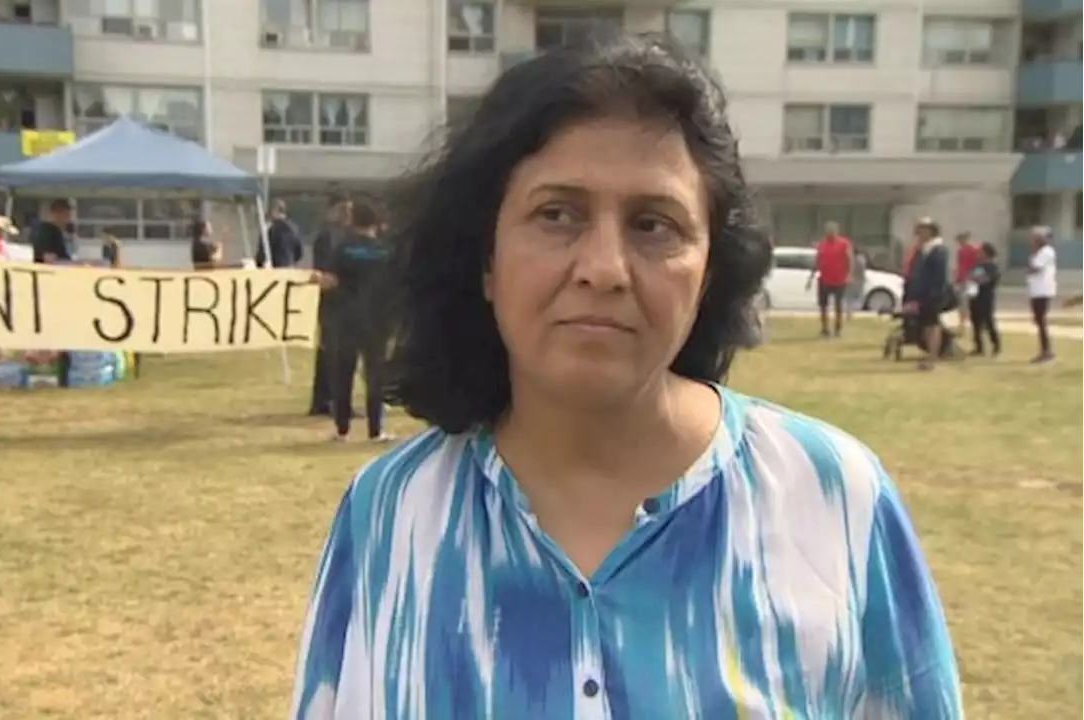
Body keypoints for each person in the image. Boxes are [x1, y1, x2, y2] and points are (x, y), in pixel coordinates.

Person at [291, 35, 960, 719]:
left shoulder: (833, 499)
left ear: (709, 273)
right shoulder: (390, 514)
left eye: (653, 224)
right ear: (484, 257)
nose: (604, 267)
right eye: (557, 214)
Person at [316, 200, 392, 443]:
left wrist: (316, 280)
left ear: (352, 221)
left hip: (347, 318)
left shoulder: (343, 249)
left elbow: (331, 281)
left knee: (344, 373)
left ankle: (342, 429)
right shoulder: (386, 250)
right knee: (375, 375)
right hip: (378, 319)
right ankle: (375, 430)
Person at [308, 193, 352, 416]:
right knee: (330, 351)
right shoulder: (328, 236)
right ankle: (324, 400)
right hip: (332, 303)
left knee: (340, 352)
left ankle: (336, 399)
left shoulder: (345, 235)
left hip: (345, 303)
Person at [903, 218, 952, 371]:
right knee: (925, 326)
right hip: (921, 294)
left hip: (932, 295)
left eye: (922, 230)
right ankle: (928, 355)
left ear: (931, 231)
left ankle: (932, 357)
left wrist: (933, 294)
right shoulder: (922, 250)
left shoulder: (939, 250)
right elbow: (915, 273)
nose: (919, 234)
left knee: (933, 325)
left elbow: (938, 276)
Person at [805, 221, 853, 337]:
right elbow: (817, 261)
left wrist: (849, 275)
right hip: (824, 279)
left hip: (839, 280)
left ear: (836, 231)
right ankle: (824, 328)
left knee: (838, 306)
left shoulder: (844, 244)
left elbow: (849, 260)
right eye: (828, 231)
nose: (830, 233)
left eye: (832, 231)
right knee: (823, 306)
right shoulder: (822, 244)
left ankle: (838, 329)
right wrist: (811, 278)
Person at [1026, 226, 1057, 364]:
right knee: (1039, 321)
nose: (1032, 241)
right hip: (1037, 291)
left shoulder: (1046, 252)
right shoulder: (1039, 252)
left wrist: (1030, 267)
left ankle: (1047, 352)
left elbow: (1034, 269)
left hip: (1043, 291)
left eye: (1035, 238)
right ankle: (1045, 350)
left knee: (1041, 321)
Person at [967, 241, 1001, 357]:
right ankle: (978, 347)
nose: (978, 253)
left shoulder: (992, 266)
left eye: (980, 251)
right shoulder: (977, 265)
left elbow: (988, 280)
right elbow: (971, 277)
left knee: (988, 321)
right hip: (975, 296)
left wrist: (977, 278)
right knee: (975, 322)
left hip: (986, 297)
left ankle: (996, 345)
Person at [256, 199, 304, 268]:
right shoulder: (294, 229)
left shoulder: (270, 229)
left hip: (275, 270)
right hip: (290, 268)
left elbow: (262, 251)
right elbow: (299, 253)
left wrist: (259, 264)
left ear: (274, 211)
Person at [29, 199, 73, 264]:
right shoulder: (47, 232)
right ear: (57, 214)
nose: (67, 220)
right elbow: (49, 257)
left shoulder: (41, 229)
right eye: (66, 216)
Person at [954, 232, 979, 327]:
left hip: (969, 279)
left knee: (968, 300)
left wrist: (971, 277)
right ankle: (962, 321)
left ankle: (967, 320)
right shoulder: (960, 251)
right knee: (962, 301)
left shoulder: (973, 250)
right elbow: (960, 265)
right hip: (962, 278)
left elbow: (975, 265)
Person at [846, 246, 869, 320]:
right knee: (856, 296)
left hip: (853, 279)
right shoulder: (861, 259)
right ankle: (851, 311)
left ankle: (849, 311)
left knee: (850, 297)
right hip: (858, 280)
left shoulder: (851, 259)